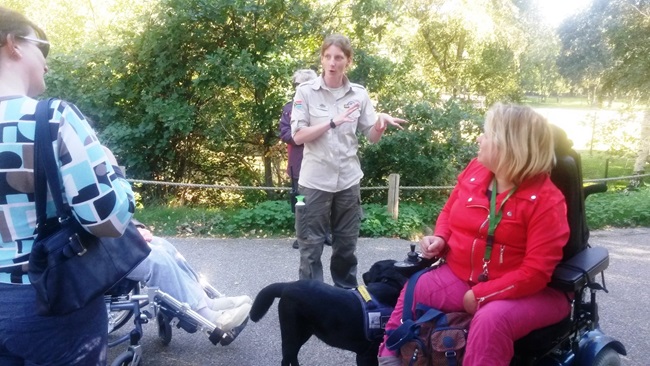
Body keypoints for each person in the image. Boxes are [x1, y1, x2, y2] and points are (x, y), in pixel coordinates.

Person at [377, 103, 572, 366]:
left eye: (486, 134)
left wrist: (482, 295)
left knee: (491, 319)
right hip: (464, 277)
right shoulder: (475, 171)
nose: (479, 139)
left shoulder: (547, 201)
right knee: (418, 286)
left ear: (508, 146)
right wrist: (441, 237)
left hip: (531, 292)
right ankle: (390, 354)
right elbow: (449, 210)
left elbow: (536, 273)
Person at [0, 7, 134, 365]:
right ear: (12, 44)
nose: (46, 64)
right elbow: (107, 219)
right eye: (42, 49)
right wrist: (115, 173)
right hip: (44, 300)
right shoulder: (52, 118)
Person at [290, 34, 406, 288]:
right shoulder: (305, 92)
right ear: (321, 59)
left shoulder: (359, 94)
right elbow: (298, 136)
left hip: (348, 182)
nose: (332, 63)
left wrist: (380, 123)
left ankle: (345, 299)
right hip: (313, 184)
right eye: (328, 57)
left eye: (338, 57)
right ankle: (312, 302)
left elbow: (372, 136)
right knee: (310, 246)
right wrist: (332, 121)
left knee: (346, 247)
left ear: (348, 61)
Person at [128, 223, 251, 345]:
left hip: (117, 239)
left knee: (163, 246)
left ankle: (206, 303)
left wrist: (135, 227)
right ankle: (207, 317)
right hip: (112, 252)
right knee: (158, 261)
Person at [278, 68, 331, 249]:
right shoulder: (289, 108)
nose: (300, 88)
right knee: (300, 200)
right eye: (298, 85)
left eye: (304, 84)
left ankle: (325, 233)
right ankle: (302, 234)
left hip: (322, 160)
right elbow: (285, 133)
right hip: (298, 163)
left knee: (325, 198)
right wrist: (303, 136)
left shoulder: (324, 106)